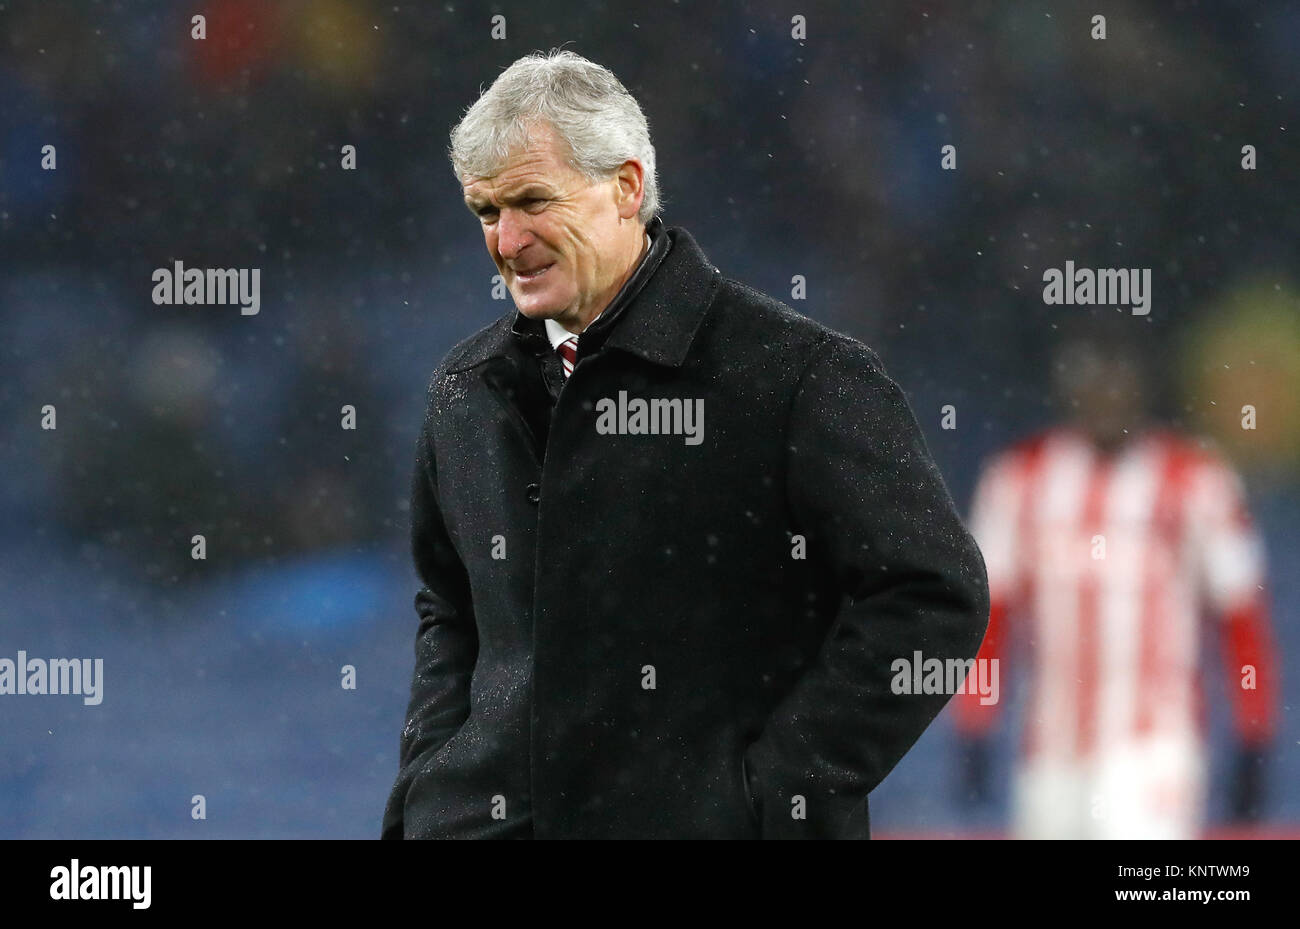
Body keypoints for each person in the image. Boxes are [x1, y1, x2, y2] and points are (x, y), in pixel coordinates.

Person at [382, 48, 989, 839]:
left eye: (533, 200)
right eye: (486, 211)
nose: (508, 239)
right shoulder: (463, 390)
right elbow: (451, 610)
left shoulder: (797, 376)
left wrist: (781, 786)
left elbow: (934, 595)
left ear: (627, 188)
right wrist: (426, 795)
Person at [954, 335, 1277, 838]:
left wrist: (1255, 730)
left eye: (1118, 385)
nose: (1106, 398)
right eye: (1093, 384)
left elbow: (1241, 616)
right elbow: (991, 614)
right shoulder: (1020, 479)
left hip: (1154, 750)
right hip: (1050, 750)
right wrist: (975, 720)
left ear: (1142, 391)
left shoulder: (1194, 479)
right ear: (1069, 392)